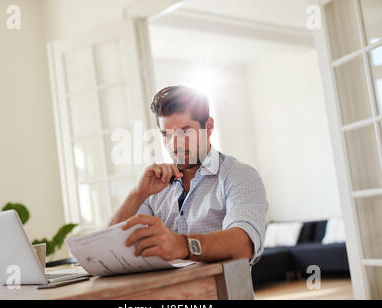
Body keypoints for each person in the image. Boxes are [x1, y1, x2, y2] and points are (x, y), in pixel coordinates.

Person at [109, 85, 268, 265]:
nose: (174, 145)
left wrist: (182, 245)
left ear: (208, 127)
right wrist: (137, 194)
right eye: (166, 135)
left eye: (184, 131)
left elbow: (244, 245)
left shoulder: (240, 176)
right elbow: (106, 249)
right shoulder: (155, 187)